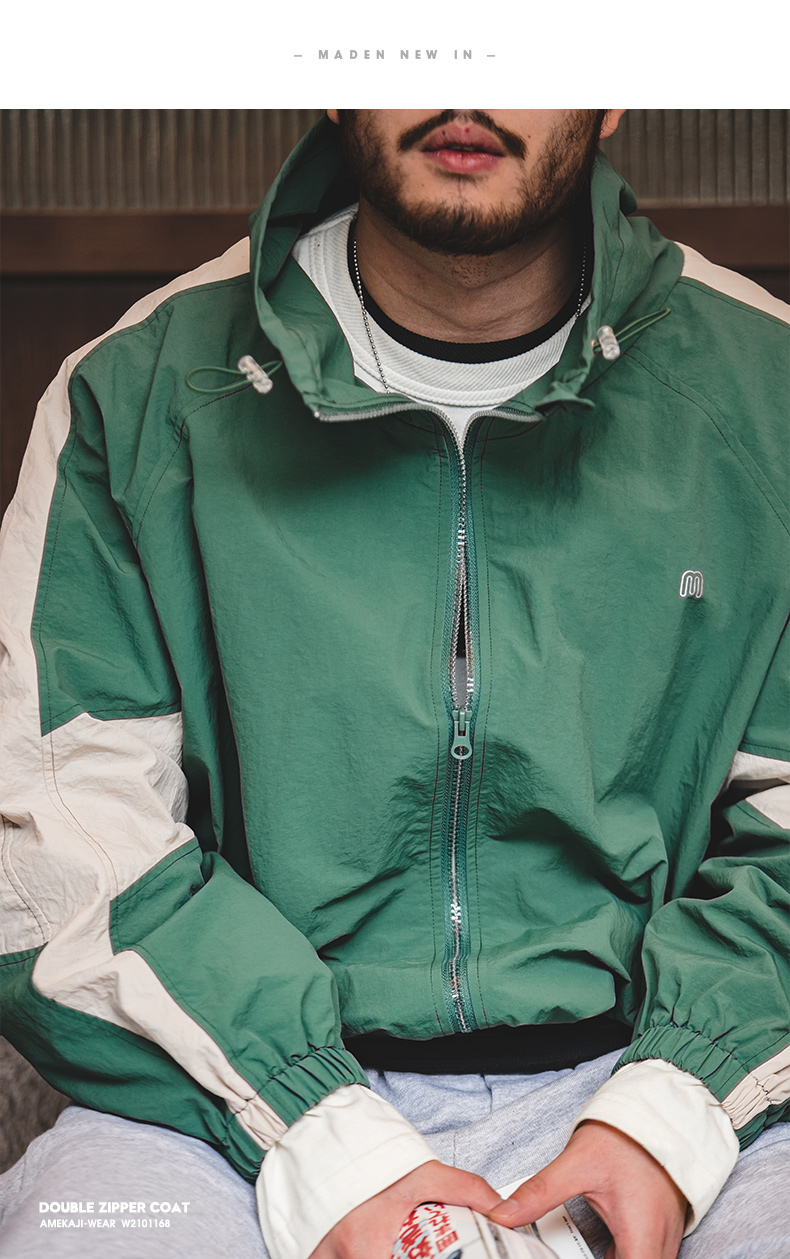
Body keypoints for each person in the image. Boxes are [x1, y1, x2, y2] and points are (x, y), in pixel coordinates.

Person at [0, 109, 788, 1259]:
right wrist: (328, 1141)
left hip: (677, 1072)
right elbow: (58, 836)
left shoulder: (767, 387)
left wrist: (669, 1116)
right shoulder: (136, 390)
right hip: (226, 1090)